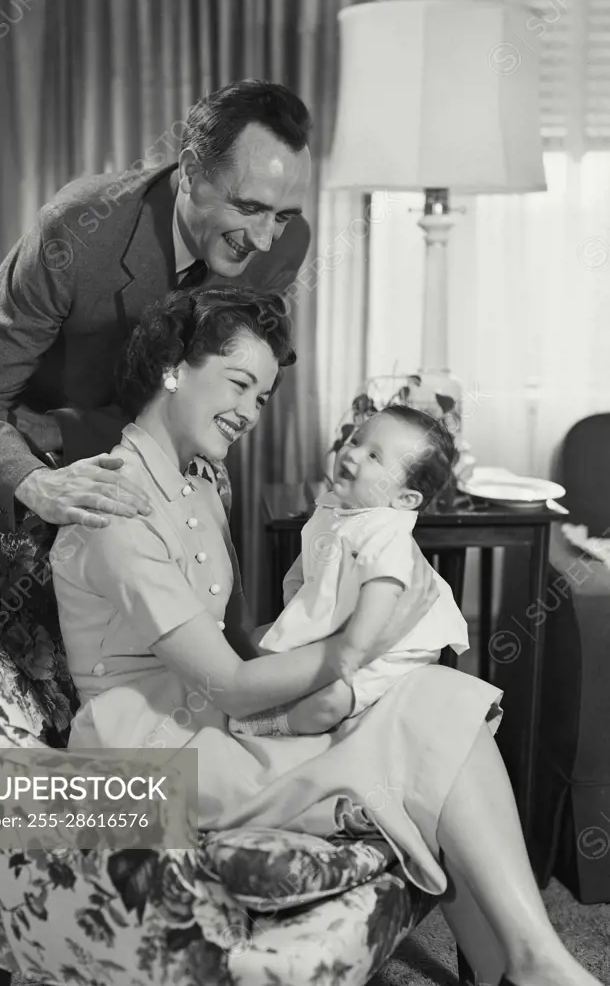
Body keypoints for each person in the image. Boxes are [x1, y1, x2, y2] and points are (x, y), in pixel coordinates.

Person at [54, 285, 602, 986]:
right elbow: (224, 679)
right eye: (239, 384)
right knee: (428, 721)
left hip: (216, 718)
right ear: (172, 368)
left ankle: (526, 964)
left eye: (262, 397)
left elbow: (239, 639)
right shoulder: (117, 497)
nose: (251, 412)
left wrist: (349, 673)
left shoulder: (201, 479)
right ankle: (526, 966)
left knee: (435, 697)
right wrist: (349, 655)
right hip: (151, 750)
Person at [0, 79, 312, 530]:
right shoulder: (77, 230)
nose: (265, 240)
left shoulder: (287, 247)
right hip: (39, 476)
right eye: (248, 208)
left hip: (156, 471)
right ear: (191, 172)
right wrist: (35, 482)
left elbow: (217, 401)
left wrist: (66, 428)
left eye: (283, 216)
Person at [228, 405, 470, 738]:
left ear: (405, 498)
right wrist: (297, 600)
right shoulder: (335, 506)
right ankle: (267, 693)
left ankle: (279, 724)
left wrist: (352, 650)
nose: (353, 453)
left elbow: (383, 589)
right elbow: (311, 560)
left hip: (397, 643)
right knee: (257, 641)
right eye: (357, 440)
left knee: (329, 701)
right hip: (345, 621)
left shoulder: (386, 529)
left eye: (374, 457)